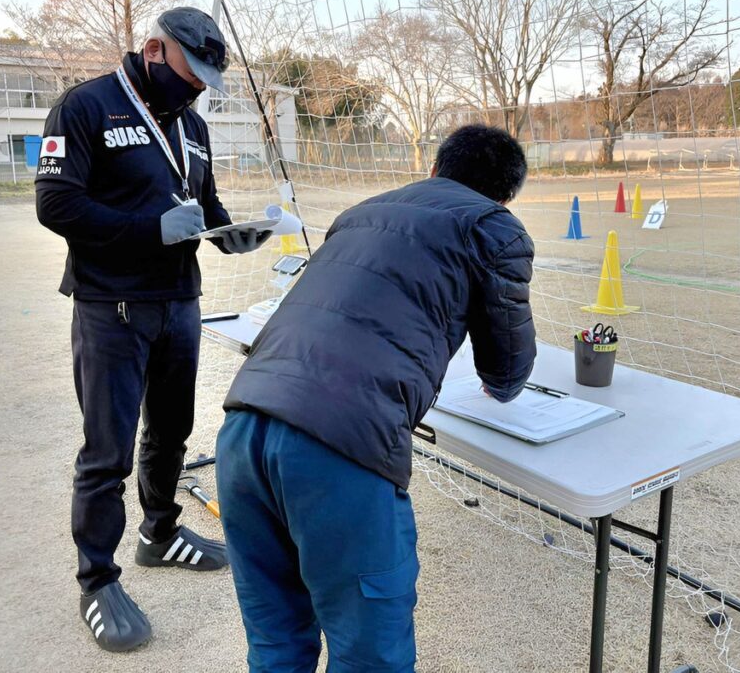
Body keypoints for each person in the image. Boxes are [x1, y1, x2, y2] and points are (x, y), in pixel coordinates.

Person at [216, 123, 537, 672]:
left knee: (276, 642)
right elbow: (506, 368)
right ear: (505, 196)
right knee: (371, 655)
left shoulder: (362, 211)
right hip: (338, 448)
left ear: (434, 169)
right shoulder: (492, 225)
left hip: (244, 427)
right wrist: (499, 382)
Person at [35, 7, 269, 652]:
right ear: (153, 51)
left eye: (204, 81)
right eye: (189, 73)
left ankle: (159, 533)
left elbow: (206, 202)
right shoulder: (85, 106)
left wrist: (231, 234)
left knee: (171, 432)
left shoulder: (192, 126)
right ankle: (97, 580)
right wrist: (145, 230)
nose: (195, 88)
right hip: (110, 305)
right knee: (105, 451)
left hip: (178, 301)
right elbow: (55, 204)